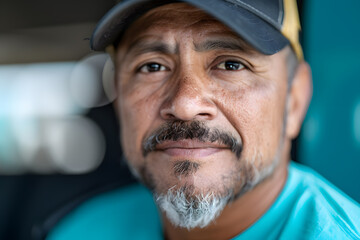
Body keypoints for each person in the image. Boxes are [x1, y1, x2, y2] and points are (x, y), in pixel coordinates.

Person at [47, 0, 360, 239]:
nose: (184, 105)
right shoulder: (84, 229)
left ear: (294, 101)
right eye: (152, 67)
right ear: (119, 100)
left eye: (231, 64)